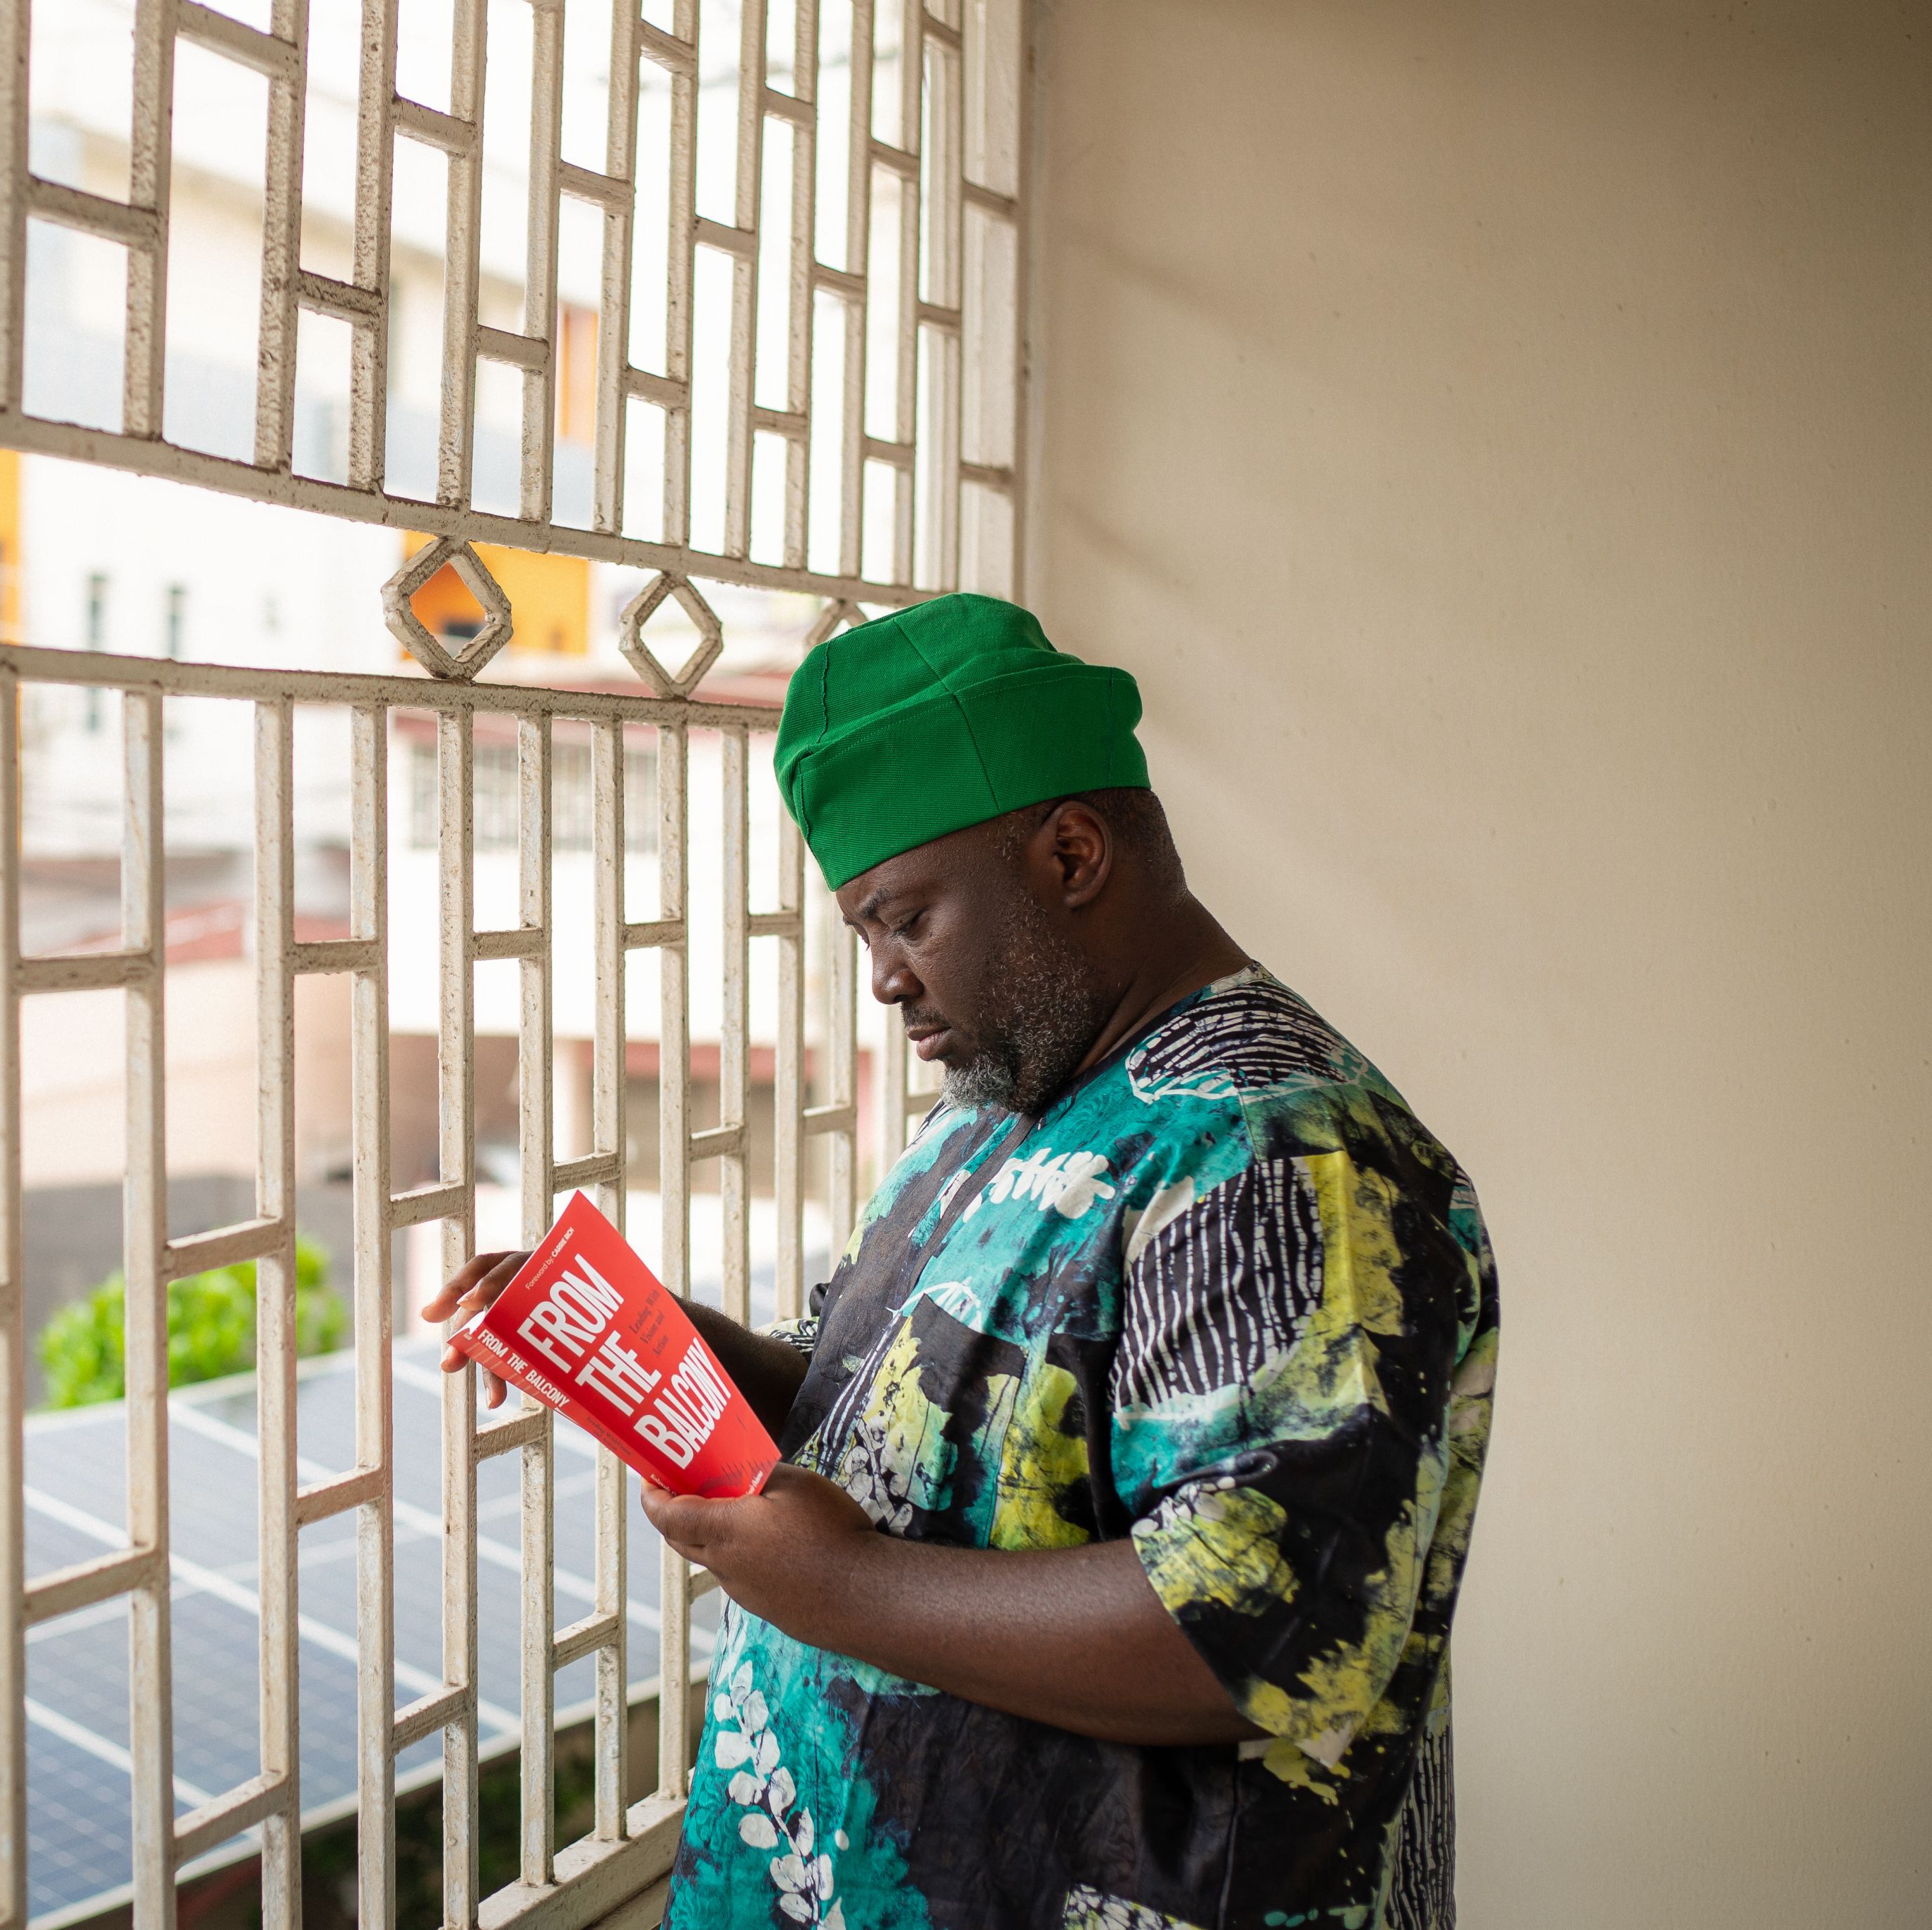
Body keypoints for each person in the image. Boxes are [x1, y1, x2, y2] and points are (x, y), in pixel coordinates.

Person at [425, 594, 1497, 1930]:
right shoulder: (1003, 1104)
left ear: (1069, 853)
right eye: (865, 934)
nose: (882, 980)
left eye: (906, 919)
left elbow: (1257, 1637)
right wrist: (648, 1341)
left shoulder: (1274, 1154)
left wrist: (846, 1589)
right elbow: (890, 1412)